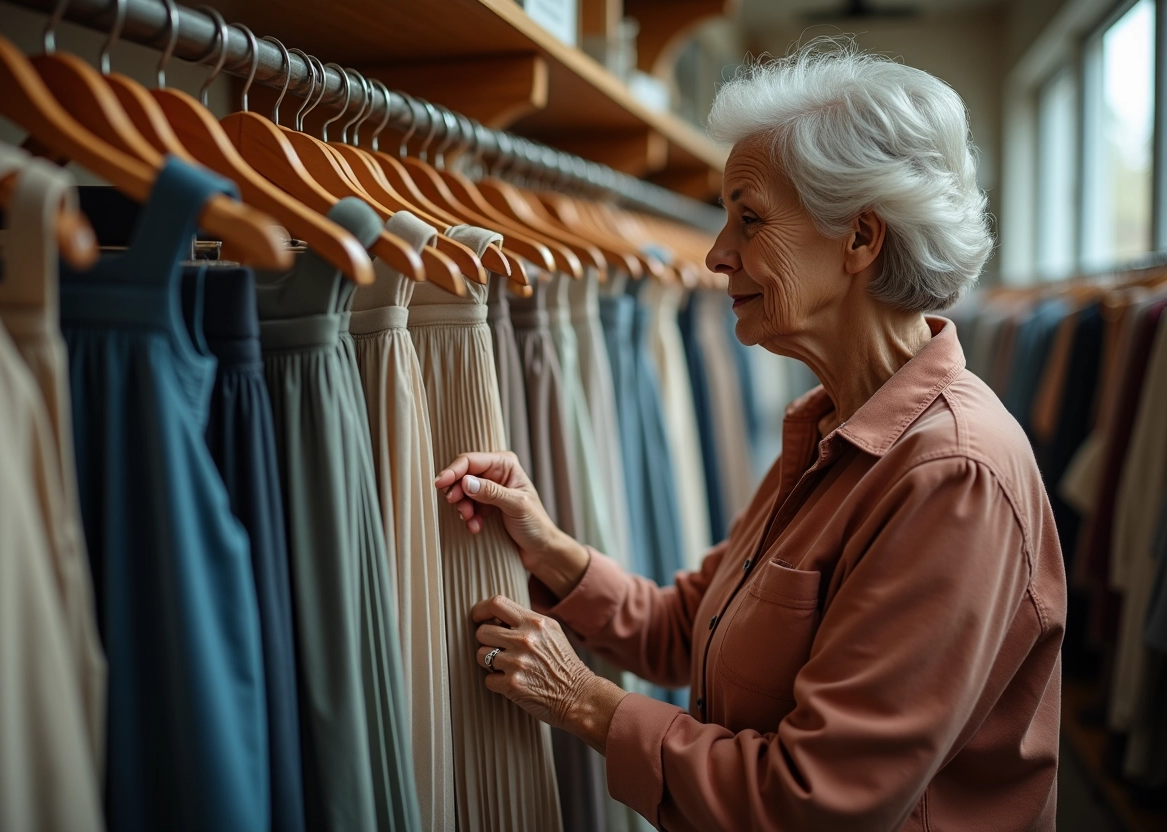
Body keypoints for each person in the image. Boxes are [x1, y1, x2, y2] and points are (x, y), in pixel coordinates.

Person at [434, 38, 1066, 831]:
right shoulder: (834, 427)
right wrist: (547, 546)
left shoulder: (952, 475)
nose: (715, 254)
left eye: (751, 218)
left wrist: (586, 703)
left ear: (861, 239)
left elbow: (817, 801)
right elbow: (691, 629)